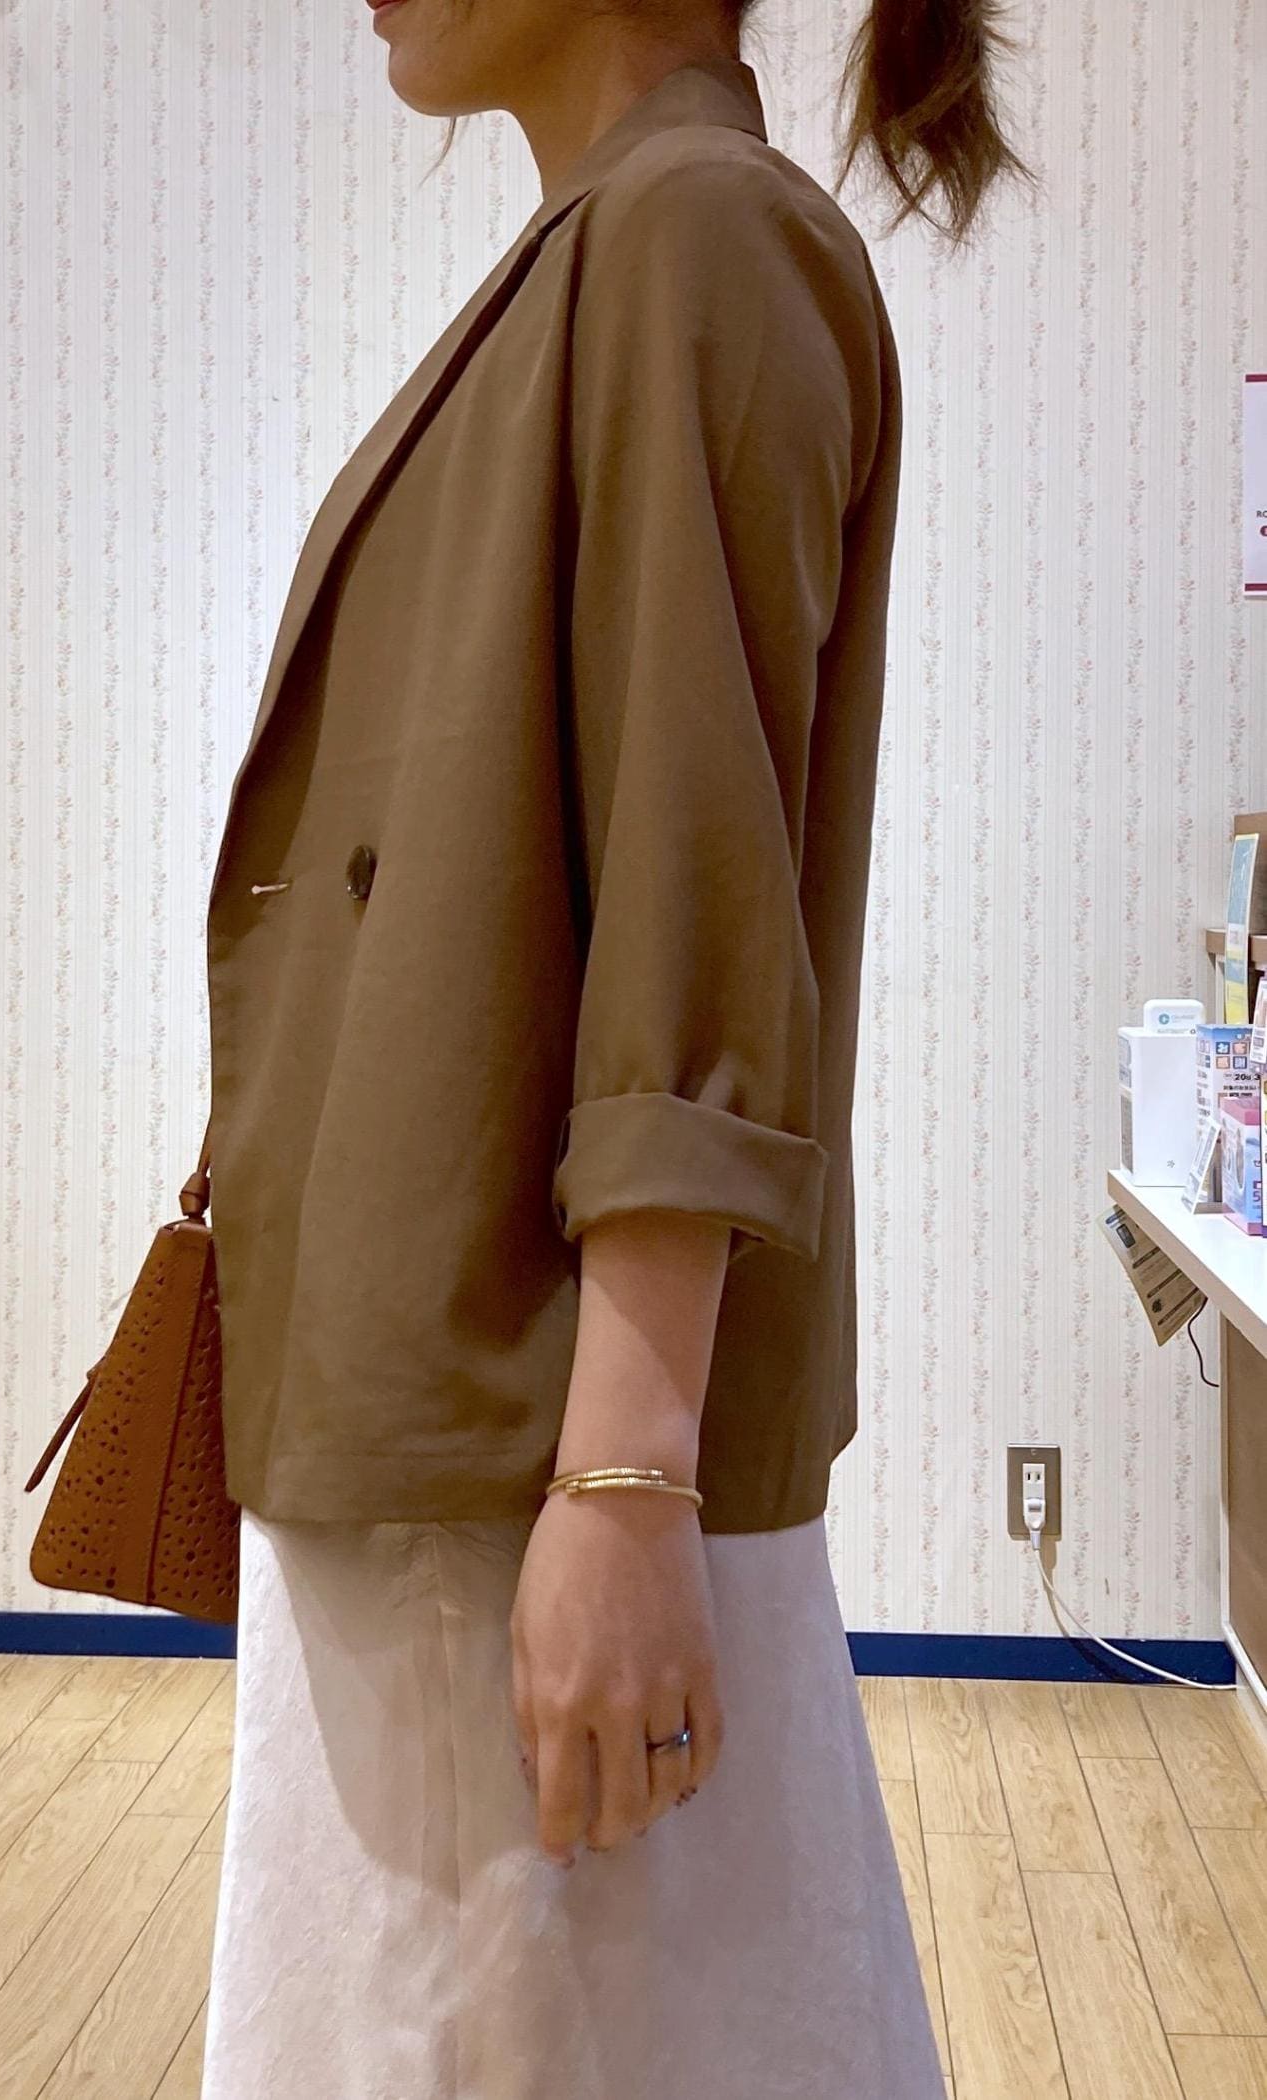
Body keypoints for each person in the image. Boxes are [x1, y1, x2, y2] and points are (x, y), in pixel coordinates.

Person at [200, 3, 1026, 2095]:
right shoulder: (622, 243)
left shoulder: (692, 238)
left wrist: (628, 1476)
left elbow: (694, 887)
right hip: (461, 1440)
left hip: (520, 1453)